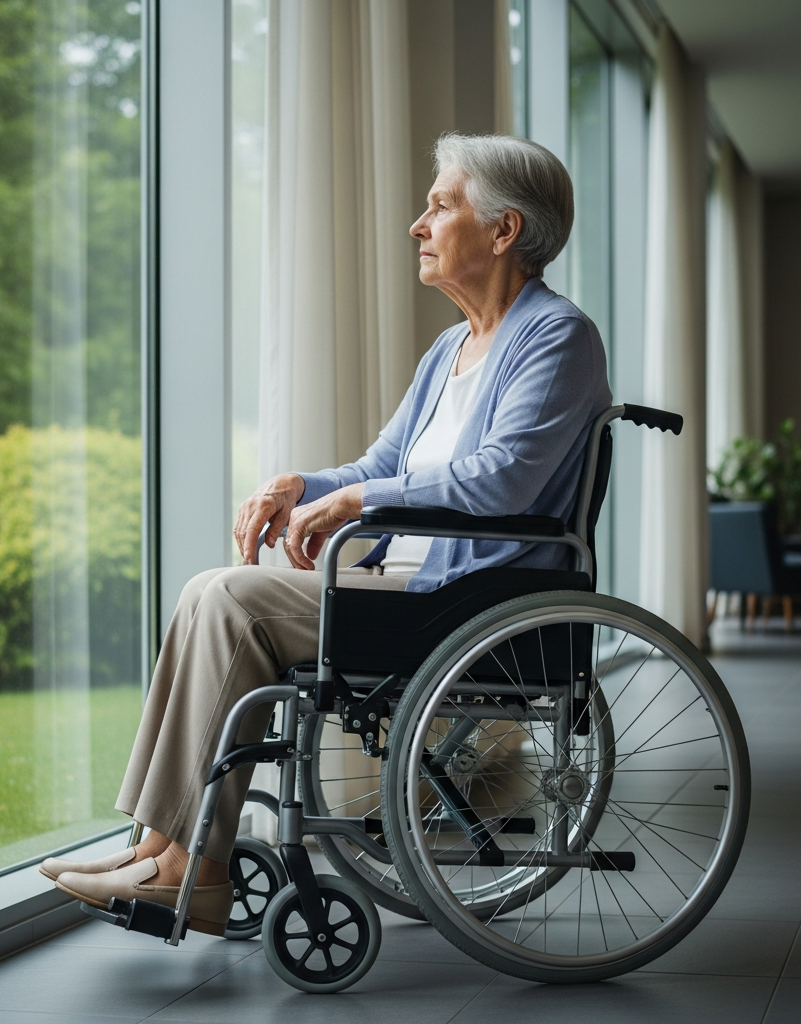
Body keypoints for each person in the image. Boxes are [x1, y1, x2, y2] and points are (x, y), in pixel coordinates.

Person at [40, 132, 612, 935]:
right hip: (413, 588)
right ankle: (161, 844)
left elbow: (503, 479)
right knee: (209, 587)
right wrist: (301, 486)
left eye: (440, 205)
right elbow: (381, 463)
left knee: (232, 600)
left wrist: (351, 507)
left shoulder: (557, 337)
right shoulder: (453, 347)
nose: (419, 224)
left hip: (470, 604)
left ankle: (186, 865)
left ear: (504, 230)